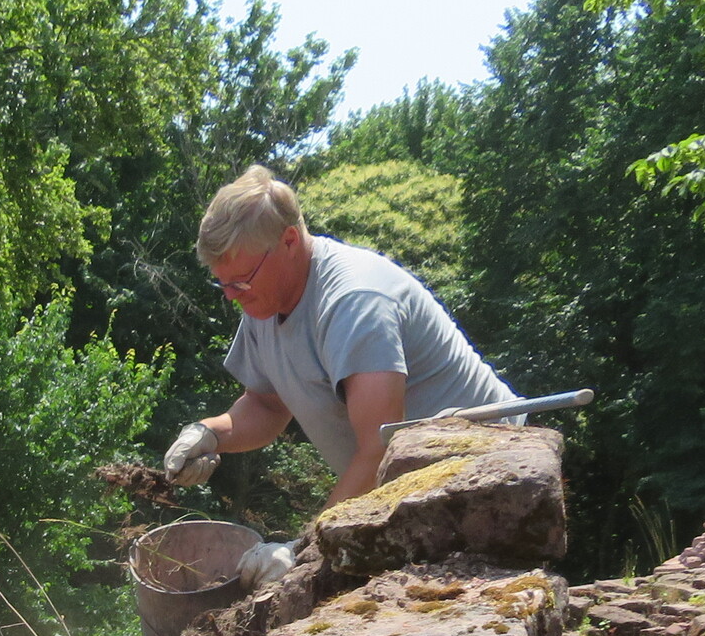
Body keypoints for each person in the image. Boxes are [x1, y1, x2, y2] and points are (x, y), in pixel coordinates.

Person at [163, 165, 516, 588]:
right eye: (222, 284)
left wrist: (303, 548)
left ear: (288, 241)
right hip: (410, 488)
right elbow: (266, 404)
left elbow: (381, 448)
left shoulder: (354, 302)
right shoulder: (263, 302)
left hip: (487, 474)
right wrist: (208, 433)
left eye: (240, 282)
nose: (230, 297)